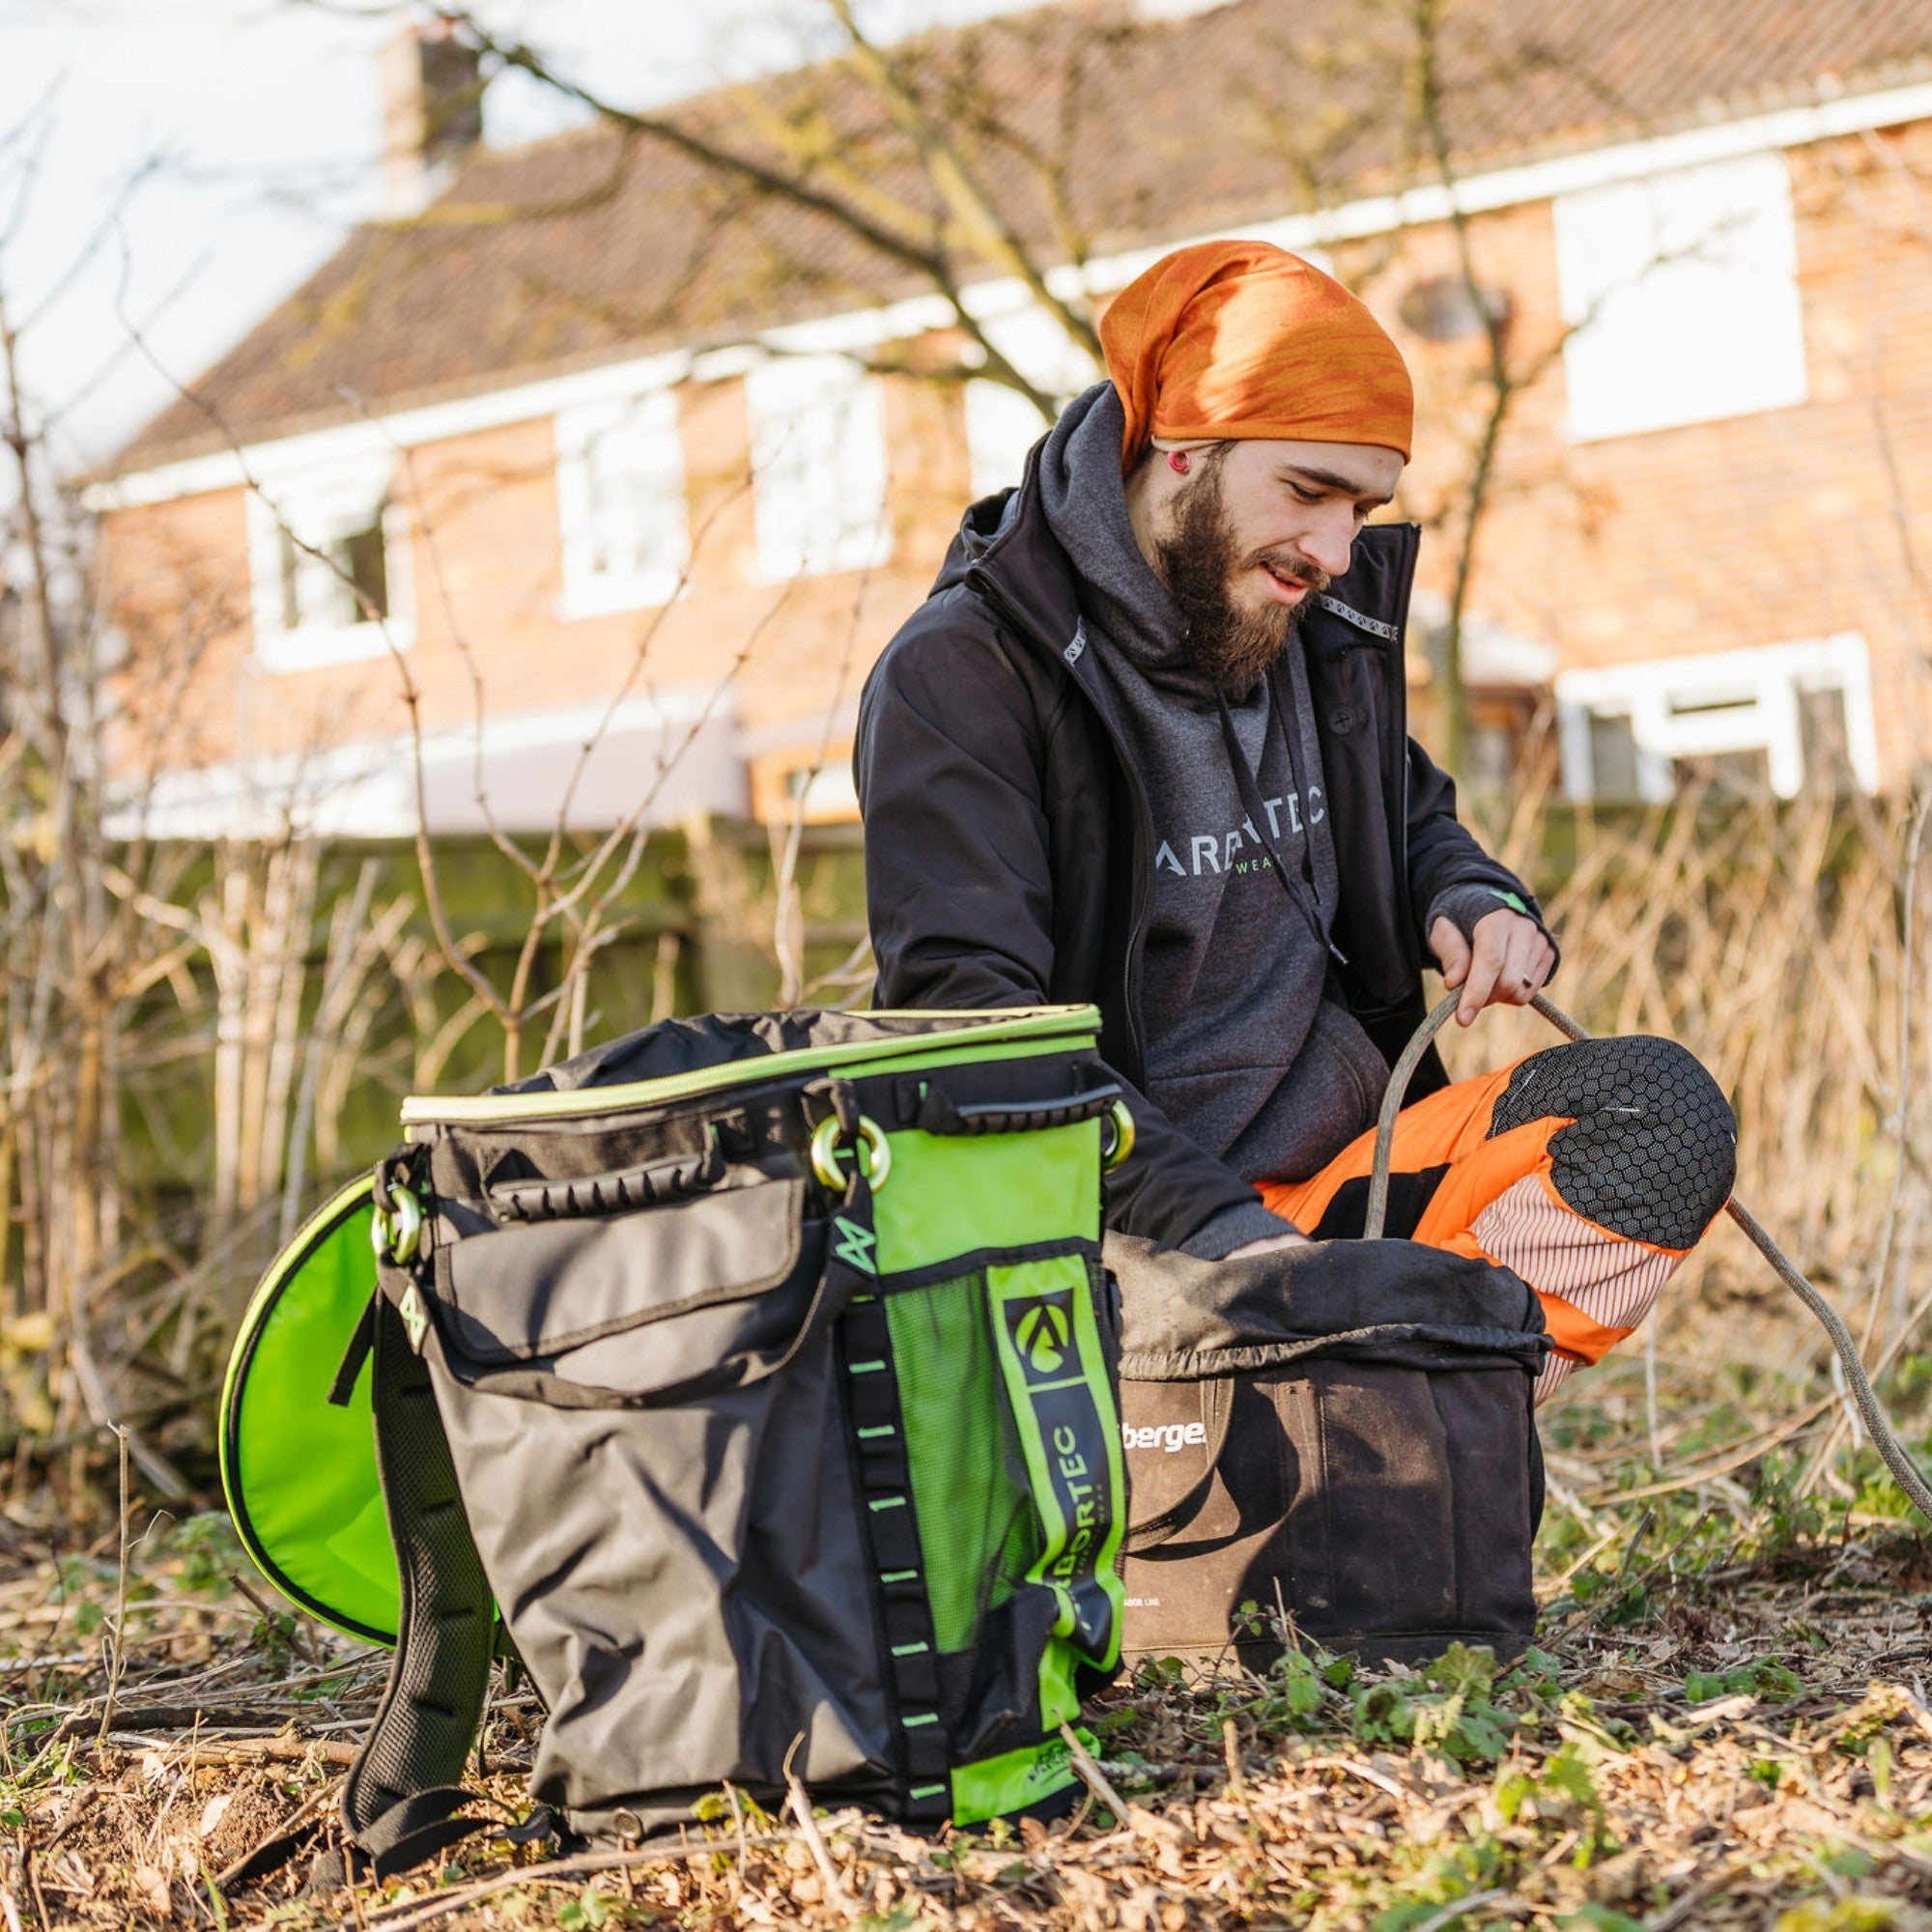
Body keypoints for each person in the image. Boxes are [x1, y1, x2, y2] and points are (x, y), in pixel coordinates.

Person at [855, 239, 1734, 1401]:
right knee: (1289, 1335)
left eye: (1360, 506)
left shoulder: (1308, 621)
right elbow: (973, 1034)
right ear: (1181, 443)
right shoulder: (964, 675)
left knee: (1660, 1118)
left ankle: (1430, 1419)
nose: (1332, 552)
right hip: (1124, 1243)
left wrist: (1470, 895)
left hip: (1348, 1185)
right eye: (1307, 490)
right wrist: (1227, 1238)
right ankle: (1349, 1411)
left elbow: (1404, 810)